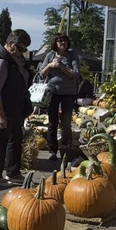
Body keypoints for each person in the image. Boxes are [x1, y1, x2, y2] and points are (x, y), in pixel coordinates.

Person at [0, 29, 32, 185]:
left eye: (25, 49)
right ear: (11, 44)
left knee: (15, 140)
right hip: (4, 108)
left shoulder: (14, 60)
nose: (22, 52)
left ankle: (13, 173)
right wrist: (0, 114)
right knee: (0, 141)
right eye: (21, 48)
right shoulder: (2, 61)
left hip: (15, 107)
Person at [40, 33, 80, 161]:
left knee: (66, 123)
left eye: (65, 41)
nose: (63, 43)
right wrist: (50, 65)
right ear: (55, 43)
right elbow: (41, 73)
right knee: (52, 122)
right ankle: (52, 150)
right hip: (53, 93)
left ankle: (66, 149)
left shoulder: (72, 55)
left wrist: (61, 67)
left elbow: (75, 74)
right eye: (60, 41)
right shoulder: (50, 56)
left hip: (68, 93)